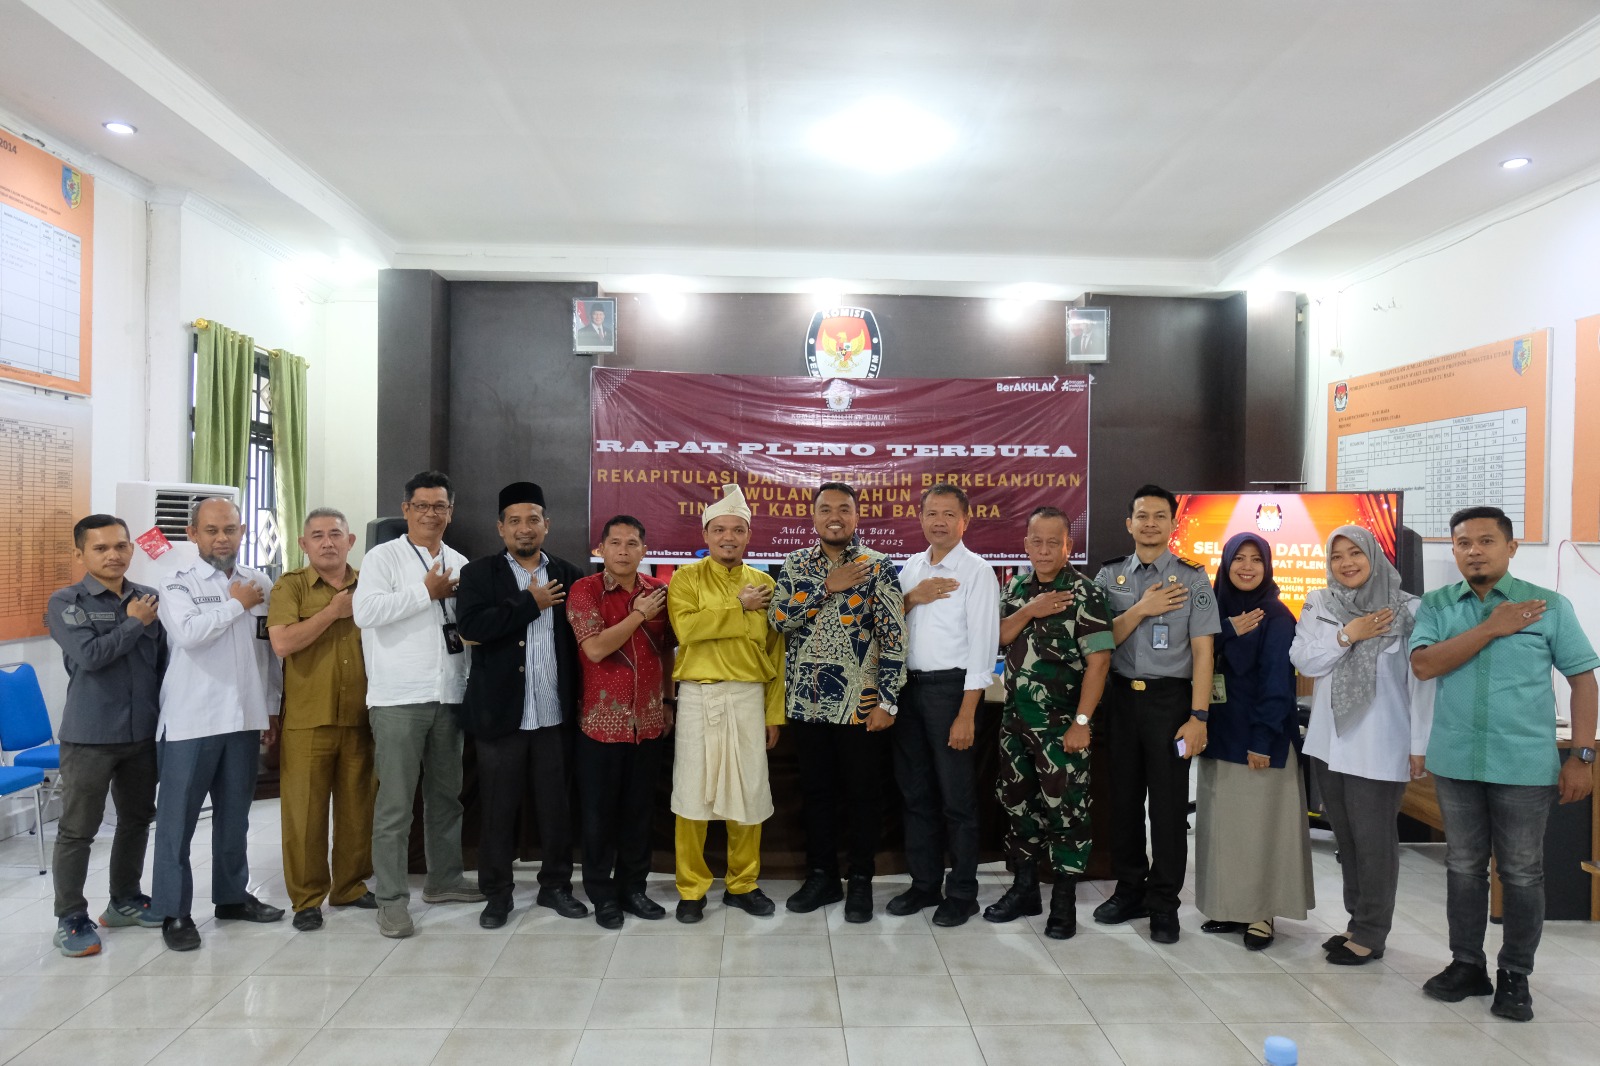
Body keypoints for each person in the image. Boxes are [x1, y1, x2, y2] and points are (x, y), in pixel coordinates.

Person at [1411, 506, 1597, 1021]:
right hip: (1456, 762)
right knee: (1463, 868)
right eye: (1463, 543)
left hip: (1524, 764)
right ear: (1454, 550)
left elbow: (1583, 680)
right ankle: (1467, 964)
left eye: (1486, 541)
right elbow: (1424, 665)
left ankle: (1515, 975)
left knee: (1521, 872)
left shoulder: (1548, 606)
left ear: (1510, 548)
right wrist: (1492, 628)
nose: (1474, 551)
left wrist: (1582, 756)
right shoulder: (1437, 605)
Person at [1290, 525, 1431, 965]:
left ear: (1375, 556)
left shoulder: (1409, 609)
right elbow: (1304, 659)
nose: (1346, 563)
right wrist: (1348, 634)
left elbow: (1422, 683)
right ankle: (1356, 922)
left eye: (1356, 553)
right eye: (1337, 556)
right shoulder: (1321, 602)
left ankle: (1372, 932)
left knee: (1374, 841)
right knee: (1347, 838)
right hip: (1330, 741)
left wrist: (1419, 745)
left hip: (1381, 742)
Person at [352, 470, 483, 939]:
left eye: (440, 506)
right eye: (422, 506)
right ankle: (390, 899)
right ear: (406, 509)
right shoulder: (382, 557)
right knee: (395, 806)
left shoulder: (461, 562)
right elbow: (365, 612)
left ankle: (443, 880)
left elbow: (465, 632)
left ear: (451, 511)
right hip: (398, 698)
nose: (431, 514)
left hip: (449, 695)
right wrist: (424, 592)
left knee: (446, 797)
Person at [151, 497, 284, 951]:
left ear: (242, 531)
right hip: (192, 721)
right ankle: (174, 912)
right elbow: (188, 634)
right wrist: (234, 605)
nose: (222, 538)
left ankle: (231, 897)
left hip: (243, 718)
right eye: (211, 530)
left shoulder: (259, 582)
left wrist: (270, 708)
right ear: (193, 534)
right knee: (177, 824)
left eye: (229, 529)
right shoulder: (176, 582)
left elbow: (267, 654)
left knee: (234, 817)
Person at [771, 481, 907, 922]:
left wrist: (888, 700)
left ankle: (861, 880)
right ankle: (822, 877)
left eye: (844, 509)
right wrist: (825, 588)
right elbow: (779, 621)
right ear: (813, 517)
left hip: (860, 706)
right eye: (826, 508)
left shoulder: (878, 566)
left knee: (863, 795)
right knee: (817, 794)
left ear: (856, 516)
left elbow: (894, 637)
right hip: (807, 704)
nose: (835, 516)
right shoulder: (794, 564)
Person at [455, 481, 588, 928]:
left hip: (553, 714)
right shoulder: (479, 574)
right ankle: (497, 894)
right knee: (497, 809)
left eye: (533, 519)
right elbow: (473, 627)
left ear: (546, 525)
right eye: (514, 521)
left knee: (556, 809)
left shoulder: (570, 574)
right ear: (500, 528)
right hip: (500, 715)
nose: (524, 528)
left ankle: (556, 887)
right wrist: (530, 603)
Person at [1091, 484, 1218, 943]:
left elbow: (1204, 653)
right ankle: (1129, 889)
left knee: (1167, 810)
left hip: (1170, 704)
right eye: (1142, 516)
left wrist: (1198, 717)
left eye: (1159, 516)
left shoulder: (1193, 579)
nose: (1150, 524)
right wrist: (1142, 609)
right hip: (1121, 701)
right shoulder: (1108, 576)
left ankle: (1164, 903)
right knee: (1123, 803)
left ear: (1172, 523)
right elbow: (1097, 640)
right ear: (1129, 523)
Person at [986, 506, 1113, 939]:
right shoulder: (1017, 587)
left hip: (1061, 727)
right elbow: (1000, 636)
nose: (1043, 550)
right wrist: (1031, 609)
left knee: (1066, 812)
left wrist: (1082, 721)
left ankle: (1063, 902)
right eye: (1036, 542)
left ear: (1068, 546)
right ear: (1026, 545)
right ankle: (1025, 890)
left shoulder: (1085, 593)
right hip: (1015, 723)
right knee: (1018, 806)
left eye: (1053, 543)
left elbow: (1099, 663)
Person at [44, 514, 167, 957]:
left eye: (120, 545)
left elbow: (162, 664)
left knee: (137, 819)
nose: (113, 555)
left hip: (142, 732)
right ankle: (71, 917)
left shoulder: (148, 597)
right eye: (100, 548)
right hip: (90, 734)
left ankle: (125, 900)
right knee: (78, 829)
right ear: (80, 554)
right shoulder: (66, 602)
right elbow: (91, 656)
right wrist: (133, 623)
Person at [668, 484, 785, 923]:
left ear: (749, 535)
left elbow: (775, 653)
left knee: (748, 793)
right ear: (706, 534)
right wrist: (739, 607)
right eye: (719, 530)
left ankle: (743, 884)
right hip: (698, 696)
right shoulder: (685, 579)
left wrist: (774, 713)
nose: (728, 538)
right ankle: (691, 889)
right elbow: (686, 629)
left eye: (737, 530)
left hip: (748, 696)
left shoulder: (765, 584)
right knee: (692, 794)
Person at [1194, 532, 1312, 951]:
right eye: (1239, 559)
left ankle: (1262, 913)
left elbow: (1278, 684)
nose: (1247, 567)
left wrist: (1262, 740)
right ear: (1225, 564)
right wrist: (1225, 631)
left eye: (1256, 560)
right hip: (1219, 737)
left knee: (1262, 832)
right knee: (1226, 831)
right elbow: (1191, 656)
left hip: (1259, 743)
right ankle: (1232, 907)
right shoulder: (1213, 611)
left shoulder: (1274, 616)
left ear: (1267, 566)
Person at [891, 483, 1000, 927]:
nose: (939, 521)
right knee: (916, 795)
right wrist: (912, 597)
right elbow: (889, 622)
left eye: (949, 514)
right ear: (920, 518)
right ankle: (924, 884)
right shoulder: (911, 567)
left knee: (957, 799)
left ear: (965, 520)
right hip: (908, 692)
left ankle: (963, 892)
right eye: (932, 513)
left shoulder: (977, 571)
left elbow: (983, 648)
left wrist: (966, 713)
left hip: (951, 692)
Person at [267, 508, 376, 932]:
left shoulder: (371, 583)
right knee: (305, 814)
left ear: (351, 541)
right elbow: (282, 643)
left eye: (335, 534)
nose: (327, 542)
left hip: (362, 714)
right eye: (317, 535)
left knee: (357, 809)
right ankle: (307, 899)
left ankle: (349, 886)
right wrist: (333, 612)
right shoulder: (290, 586)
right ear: (303, 544)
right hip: (309, 718)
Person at [566, 515, 677, 928]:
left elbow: (667, 650)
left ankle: (634, 889)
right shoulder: (585, 590)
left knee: (639, 813)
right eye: (615, 543)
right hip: (600, 724)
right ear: (602, 549)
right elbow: (594, 649)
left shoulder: (659, 591)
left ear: (645, 550)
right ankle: (602, 894)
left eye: (633, 543)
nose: (624, 550)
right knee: (598, 816)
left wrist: (668, 699)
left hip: (648, 722)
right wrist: (637, 615)